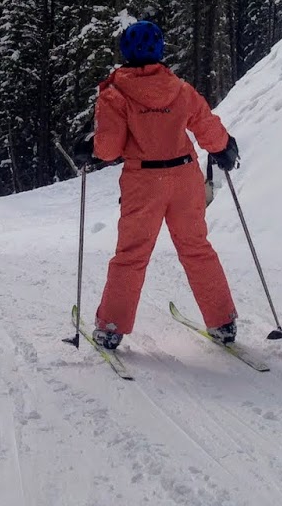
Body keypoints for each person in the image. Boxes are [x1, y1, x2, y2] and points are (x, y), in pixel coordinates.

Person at [73, 19, 241, 350]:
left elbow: (109, 149)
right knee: (196, 248)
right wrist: (224, 146)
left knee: (132, 254)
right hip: (185, 178)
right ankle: (223, 322)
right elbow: (206, 126)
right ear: (160, 50)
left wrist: (88, 147)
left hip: (144, 182)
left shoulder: (115, 93)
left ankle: (111, 327)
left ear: (125, 51)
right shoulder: (179, 88)